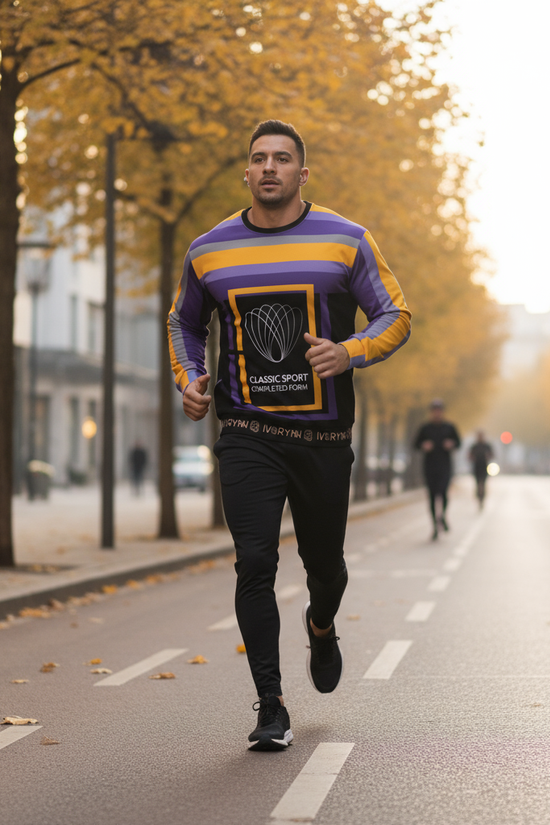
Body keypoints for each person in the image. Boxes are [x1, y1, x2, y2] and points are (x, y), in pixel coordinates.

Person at [168, 120, 411, 751]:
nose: (269, 168)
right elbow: (184, 324)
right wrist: (191, 380)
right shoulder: (208, 250)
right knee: (254, 561)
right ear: (245, 173)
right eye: (258, 159)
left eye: (282, 159)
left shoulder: (347, 240)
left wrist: (350, 351)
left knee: (324, 566)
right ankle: (270, 705)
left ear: (303, 174)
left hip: (324, 439)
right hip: (246, 431)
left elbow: (396, 314)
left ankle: (321, 622)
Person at [414, 399, 461, 540]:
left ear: (442, 412)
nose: (437, 413)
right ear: (431, 412)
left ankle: (442, 516)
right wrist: (424, 445)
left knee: (444, 494)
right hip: (429, 467)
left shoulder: (450, 427)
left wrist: (451, 444)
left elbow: (459, 443)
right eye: (434, 410)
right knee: (432, 497)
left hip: (445, 467)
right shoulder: (425, 428)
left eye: (439, 410)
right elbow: (415, 444)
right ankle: (435, 526)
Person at [469, 430, 493, 508]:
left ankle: (482, 498)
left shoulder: (487, 446)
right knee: (478, 483)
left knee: (483, 483)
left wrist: (488, 456)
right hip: (476, 467)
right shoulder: (474, 446)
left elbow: (492, 455)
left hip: (484, 467)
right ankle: (478, 497)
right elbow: (469, 456)